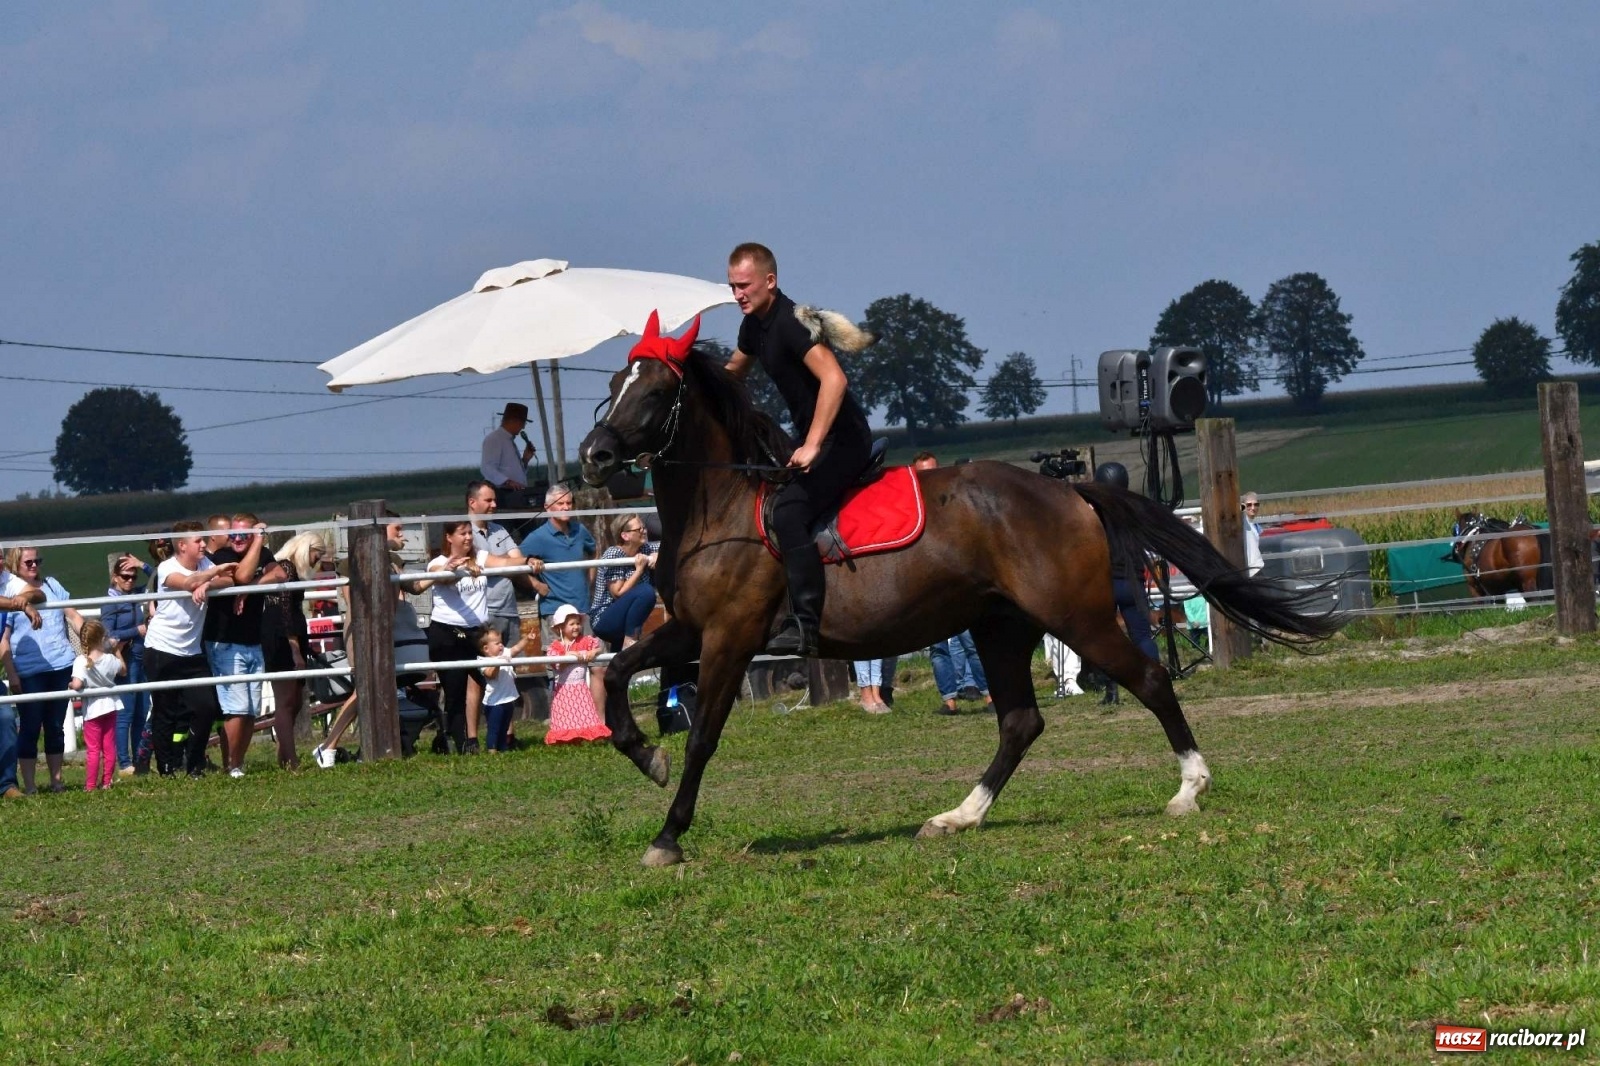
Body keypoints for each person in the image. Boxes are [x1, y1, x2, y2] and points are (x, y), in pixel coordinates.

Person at [723, 242, 874, 656]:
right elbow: (735, 371)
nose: (737, 294)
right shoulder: (754, 325)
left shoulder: (789, 323)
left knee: (788, 512)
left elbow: (835, 381)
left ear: (769, 281)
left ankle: (806, 624)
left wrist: (810, 444)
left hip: (843, 442)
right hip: (813, 440)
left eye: (744, 286)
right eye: (732, 286)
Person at [413, 521, 522, 754]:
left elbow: (504, 562)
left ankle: (499, 739)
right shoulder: (438, 562)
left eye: (469, 533)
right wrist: (451, 568)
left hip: (477, 633)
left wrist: (529, 560)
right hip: (447, 633)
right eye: (462, 533)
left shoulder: (480, 557)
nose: (468, 537)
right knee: (454, 692)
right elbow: (440, 577)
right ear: (449, 537)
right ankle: (461, 743)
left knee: (493, 683)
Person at [144, 522, 238, 777]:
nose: (204, 545)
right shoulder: (167, 568)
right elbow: (187, 582)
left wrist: (208, 583)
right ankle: (166, 768)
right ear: (182, 545)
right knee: (165, 710)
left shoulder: (205, 565)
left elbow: (230, 578)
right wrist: (213, 573)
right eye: (199, 541)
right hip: (161, 648)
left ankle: (194, 764)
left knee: (206, 707)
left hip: (192, 652)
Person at [466, 480, 544, 746]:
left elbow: (514, 559)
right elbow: (502, 562)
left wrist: (532, 578)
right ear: (472, 503)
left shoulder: (500, 530)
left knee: (508, 672)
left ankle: (507, 736)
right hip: (482, 613)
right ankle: (475, 737)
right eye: (488, 500)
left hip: (508, 607)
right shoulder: (466, 534)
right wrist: (523, 563)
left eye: (494, 500)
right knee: (480, 677)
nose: (494, 505)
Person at [2, 545, 86, 793]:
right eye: (28, 562)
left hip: (60, 664)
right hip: (29, 671)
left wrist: (91, 641)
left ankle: (56, 780)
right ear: (16, 564)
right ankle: (29, 785)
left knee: (55, 726)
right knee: (29, 727)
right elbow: (3, 639)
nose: (34, 565)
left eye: (37, 560)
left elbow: (72, 615)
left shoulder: (51, 585)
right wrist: (12, 673)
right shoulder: (9, 591)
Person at [203, 514, 275, 779]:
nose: (237, 539)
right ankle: (231, 764)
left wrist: (251, 588)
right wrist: (257, 542)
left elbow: (279, 573)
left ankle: (238, 762)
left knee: (251, 710)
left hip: (253, 641)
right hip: (225, 642)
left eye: (243, 534)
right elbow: (242, 574)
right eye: (233, 534)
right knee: (236, 708)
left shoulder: (262, 553)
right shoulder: (221, 556)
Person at [519, 483, 601, 708]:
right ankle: (561, 715)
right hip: (554, 612)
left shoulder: (579, 530)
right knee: (558, 666)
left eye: (569, 503)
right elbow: (514, 561)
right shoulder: (538, 537)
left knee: (593, 663)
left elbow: (593, 549)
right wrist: (535, 583)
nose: (566, 507)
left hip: (582, 608)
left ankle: (593, 715)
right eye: (560, 504)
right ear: (547, 508)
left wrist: (590, 580)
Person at [259, 532, 330, 770]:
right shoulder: (287, 568)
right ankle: (290, 760)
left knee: (295, 700)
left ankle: (284, 754)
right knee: (287, 700)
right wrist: (295, 648)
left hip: (289, 635)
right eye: (316, 554)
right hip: (282, 638)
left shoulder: (287, 569)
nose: (316, 560)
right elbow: (285, 612)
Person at [1092, 462, 1160, 704]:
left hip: (1106, 582)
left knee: (1108, 638)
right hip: (1133, 581)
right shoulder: (1136, 510)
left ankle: (1112, 692)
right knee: (1142, 636)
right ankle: (1157, 683)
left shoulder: (1094, 514)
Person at [102, 553, 152, 776]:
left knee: (142, 711)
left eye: (134, 576)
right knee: (127, 713)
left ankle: (139, 759)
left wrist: (143, 565)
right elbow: (108, 635)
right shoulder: (109, 602)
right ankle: (124, 763)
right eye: (125, 576)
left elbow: (159, 580)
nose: (130, 580)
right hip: (126, 658)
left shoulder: (139, 593)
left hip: (143, 657)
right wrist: (136, 631)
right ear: (115, 577)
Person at [589, 512, 659, 650]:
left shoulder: (644, 548)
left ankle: (624, 651)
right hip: (604, 618)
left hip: (625, 618)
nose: (643, 531)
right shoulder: (614, 553)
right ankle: (630, 640)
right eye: (638, 529)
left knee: (621, 665)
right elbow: (618, 593)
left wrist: (658, 554)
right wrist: (639, 570)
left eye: (643, 528)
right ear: (625, 535)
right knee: (647, 591)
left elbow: (669, 545)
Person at [69, 619, 123, 791]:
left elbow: (77, 684)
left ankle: (90, 785)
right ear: (102, 638)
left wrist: (71, 685)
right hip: (111, 705)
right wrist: (116, 650)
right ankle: (107, 782)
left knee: (93, 749)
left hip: (93, 710)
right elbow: (123, 669)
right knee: (109, 747)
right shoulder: (109, 659)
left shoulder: (81, 661)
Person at [544, 604, 609, 745]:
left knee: (583, 713)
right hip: (564, 689)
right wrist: (569, 655)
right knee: (566, 715)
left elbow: (597, 646)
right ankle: (568, 739)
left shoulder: (584, 642)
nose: (576, 627)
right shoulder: (556, 647)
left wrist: (593, 652)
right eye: (571, 624)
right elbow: (557, 665)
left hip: (580, 688)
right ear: (560, 627)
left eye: (578, 623)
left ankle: (581, 737)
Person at [476, 625, 531, 753]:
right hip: (494, 703)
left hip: (508, 700)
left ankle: (503, 747)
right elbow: (490, 674)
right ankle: (492, 750)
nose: (501, 645)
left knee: (505, 727)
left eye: (501, 642)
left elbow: (516, 649)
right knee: (494, 728)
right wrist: (498, 663)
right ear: (486, 649)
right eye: (497, 643)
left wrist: (527, 639)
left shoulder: (504, 653)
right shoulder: (483, 661)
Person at [481, 402, 539, 513]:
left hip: (516, 494)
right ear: (514, 421)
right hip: (503, 495)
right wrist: (507, 482)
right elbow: (487, 467)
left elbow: (511, 469)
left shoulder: (508, 441)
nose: (523, 427)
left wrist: (525, 460)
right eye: (522, 423)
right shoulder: (495, 439)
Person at [1242, 492, 1265, 576]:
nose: (1253, 507)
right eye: (1249, 505)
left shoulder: (1253, 525)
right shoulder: (1243, 520)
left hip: (1257, 568)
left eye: (1256, 504)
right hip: (1251, 570)